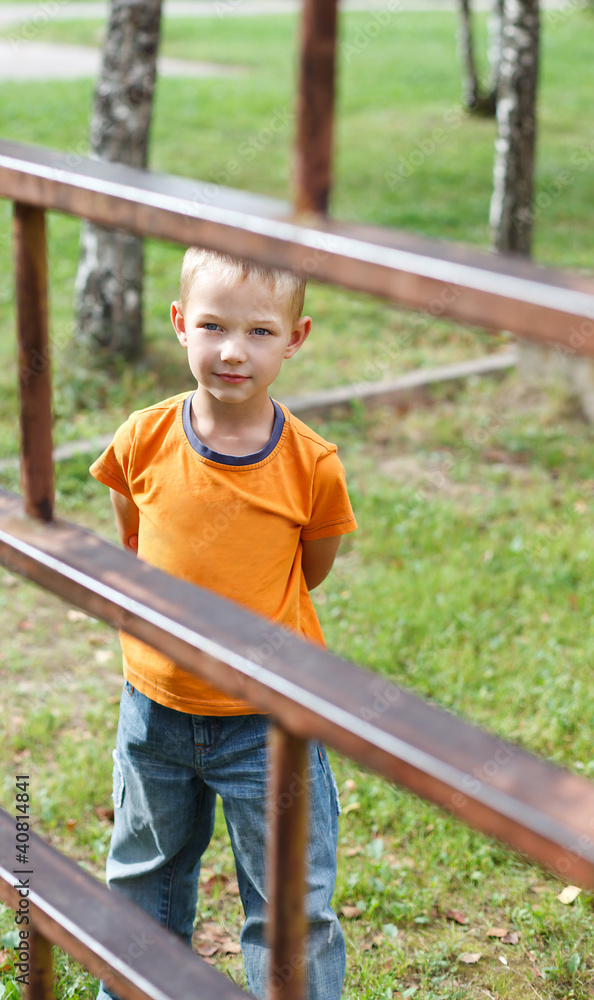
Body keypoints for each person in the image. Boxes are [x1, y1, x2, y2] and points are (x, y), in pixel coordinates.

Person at [89, 247, 357, 1000]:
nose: (233, 350)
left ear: (295, 338)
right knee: (144, 878)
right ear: (180, 323)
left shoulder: (311, 465)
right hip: (155, 711)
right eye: (212, 326)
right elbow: (134, 533)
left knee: (288, 904)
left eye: (259, 332)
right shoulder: (142, 437)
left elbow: (312, 565)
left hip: (268, 721)